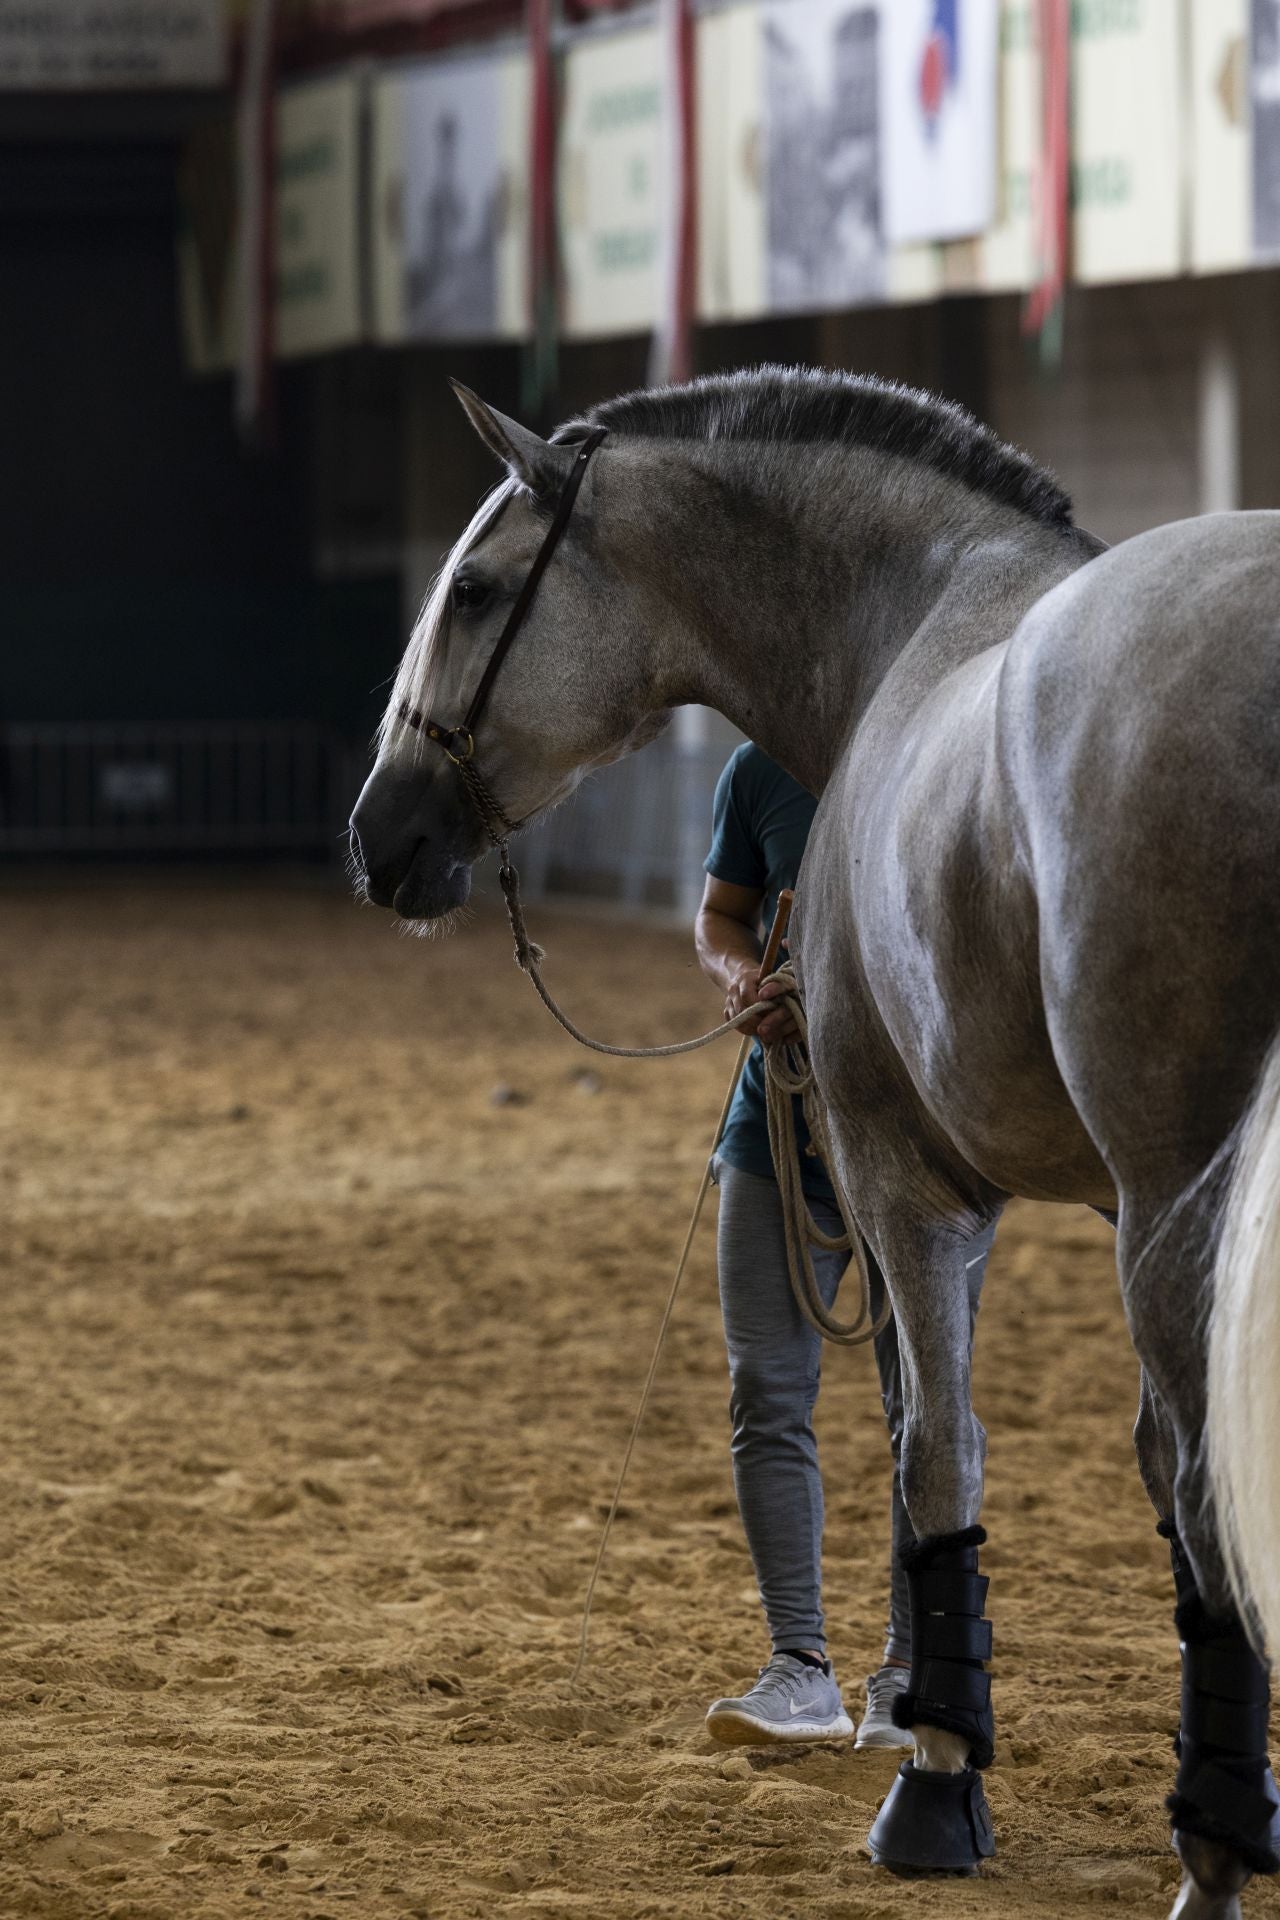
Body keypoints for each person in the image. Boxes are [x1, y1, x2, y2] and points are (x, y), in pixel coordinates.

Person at [695, 741, 992, 1746]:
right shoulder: (755, 769)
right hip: (773, 1128)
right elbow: (719, 914)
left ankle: (907, 1669)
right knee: (764, 1392)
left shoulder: (940, 742)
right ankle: (799, 1665)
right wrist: (741, 979)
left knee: (922, 1404)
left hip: (920, 1139)